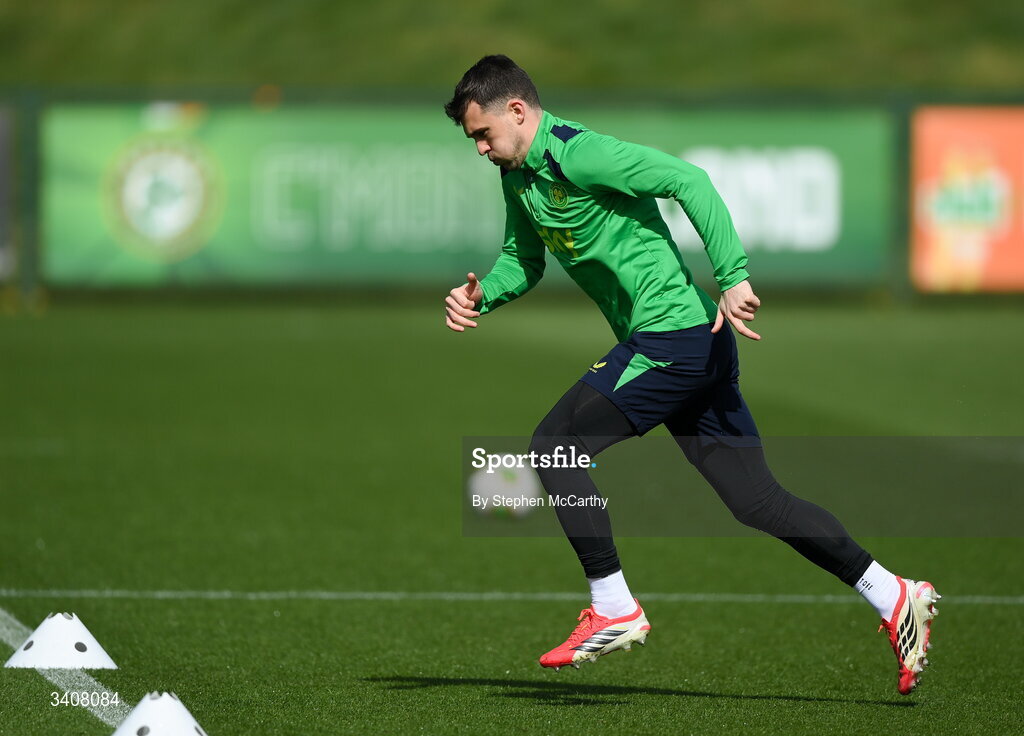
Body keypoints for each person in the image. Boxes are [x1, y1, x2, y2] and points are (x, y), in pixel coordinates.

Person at [442, 54, 939, 695]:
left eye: (483, 134)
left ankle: (615, 606)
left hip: (673, 339)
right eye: (472, 140)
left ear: (517, 111)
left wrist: (733, 276)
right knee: (757, 501)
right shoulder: (518, 178)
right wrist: (485, 295)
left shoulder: (579, 153)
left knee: (556, 447)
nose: (480, 149)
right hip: (696, 344)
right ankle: (892, 593)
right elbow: (522, 258)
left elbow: (690, 180)